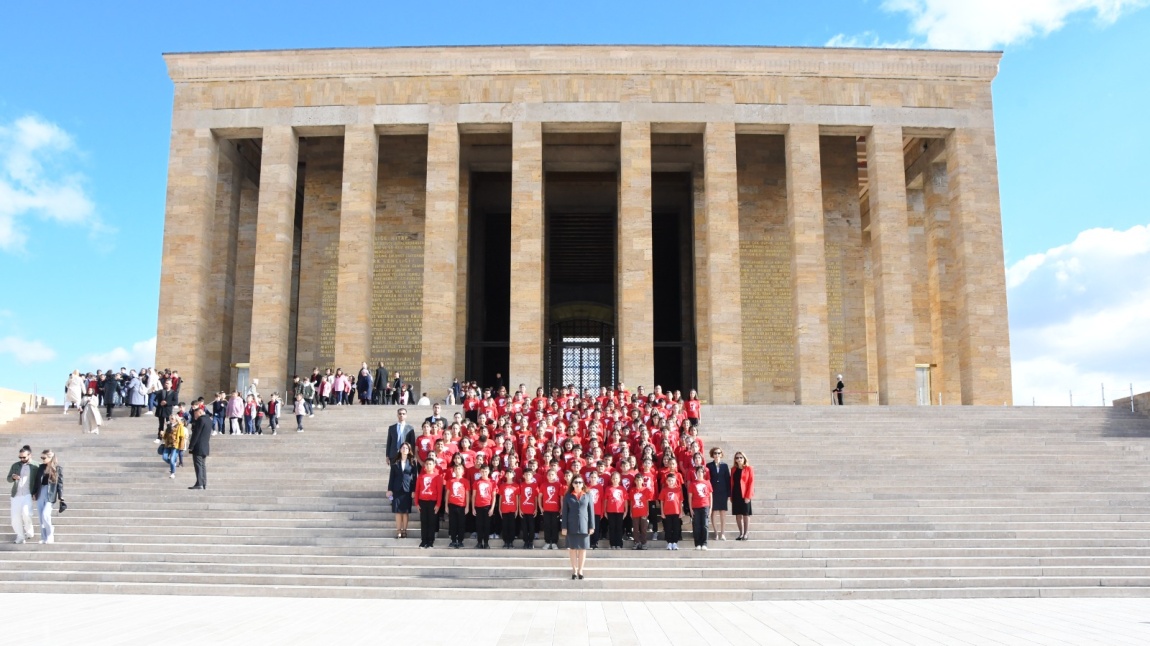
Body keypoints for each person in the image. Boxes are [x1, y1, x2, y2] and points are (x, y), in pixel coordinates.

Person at [560, 475, 595, 580]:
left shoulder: (588, 495)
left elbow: (591, 512)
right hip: (571, 526)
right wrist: (564, 527)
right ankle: (574, 570)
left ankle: (580, 570)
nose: (578, 484)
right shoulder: (568, 496)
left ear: (583, 483)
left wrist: (591, 526)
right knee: (572, 549)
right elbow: (565, 512)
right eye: (576, 482)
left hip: (584, 526)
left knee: (582, 549)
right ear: (572, 484)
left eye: (580, 482)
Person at [31, 449, 63, 544]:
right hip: (41, 492)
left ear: (50, 457)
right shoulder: (41, 467)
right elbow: (36, 481)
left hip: (51, 493)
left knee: (45, 514)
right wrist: (34, 492)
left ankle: (50, 534)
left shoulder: (58, 468)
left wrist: (61, 496)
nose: (42, 459)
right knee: (41, 517)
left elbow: (60, 483)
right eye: (41, 457)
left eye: (44, 458)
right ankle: (44, 537)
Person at [387, 442, 418, 539]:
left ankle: (405, 530)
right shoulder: (395, 462)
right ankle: (398, 530)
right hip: (397, 489)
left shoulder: (412, 462)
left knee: (405, 511)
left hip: (407, 489)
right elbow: (391, 477)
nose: (404, 449)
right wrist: (389, 489)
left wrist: (414, 490)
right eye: (403, 448)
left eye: (406, 448)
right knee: (397, 511)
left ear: (409, 451)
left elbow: (415, 478)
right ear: (400, 449)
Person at [8, 446, 35, 544]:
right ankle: (20, 536)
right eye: (20, 457)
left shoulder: (35, 466)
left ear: (29, 455)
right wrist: (13, 477)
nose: (22, 459)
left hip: (27, 494)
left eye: (24, 457)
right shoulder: (15, 465)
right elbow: (8, 478)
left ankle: (29, 530)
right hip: (16, 494)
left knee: (26, 514)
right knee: (15, 517)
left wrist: (36, 492)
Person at [415, 459, 442, 548]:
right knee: (424, 521)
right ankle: (424, 540)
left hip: (432, 502)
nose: (428, 465)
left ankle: (430, 540)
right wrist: (416, 503)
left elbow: (439, 492)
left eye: (430, 464)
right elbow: (417, 490)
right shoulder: (421, 477)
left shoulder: (437, 477)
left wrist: (438, 504)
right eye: (426, 464)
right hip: (422, 502)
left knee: (432, 522)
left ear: (434, 465)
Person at [707, 447, 732, 540]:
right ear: (712, 455)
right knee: (714, 511)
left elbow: (728, 479)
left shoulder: (724, 466)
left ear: (721, 454)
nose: (717, 455)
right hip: (713, 491)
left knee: (722, 512)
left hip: (723, 491)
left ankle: (722, 533)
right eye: (715, 453)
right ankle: (716, 533)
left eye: (718, 453)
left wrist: (729, 493)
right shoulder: (709, 465)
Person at [689, 465, 713, 550]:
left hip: (705, 506)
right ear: (696, 473)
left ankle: (704, 543)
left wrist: (710, 508)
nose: (699, 473)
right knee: (696, 526)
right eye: (698, 472)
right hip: (695, 507)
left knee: (705, 525)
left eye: (701, 472)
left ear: (704, 473)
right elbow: (690, 497)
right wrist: (690, 508)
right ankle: (697, 544)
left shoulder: (707, 483)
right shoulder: (693, 483)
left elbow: (710, 496)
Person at [731, 451, 754, 540]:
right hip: (736, 493)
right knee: (738, 515)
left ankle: (746, 533)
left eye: (741, 457)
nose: (739, 459)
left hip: (745, 494)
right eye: (737, 458)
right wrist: (731, 496)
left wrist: (748, 496)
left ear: (744, 458)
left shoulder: (749, 468)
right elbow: (732, 482)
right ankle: (741, 533)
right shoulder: (733, 469)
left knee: (746, 514)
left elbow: (751, 482)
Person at [187, 406, 211, 490]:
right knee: (203, 465)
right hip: (205, 446)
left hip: (198, 446)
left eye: (195, 414)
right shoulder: (208, 420)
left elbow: (196, 434)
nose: (194, 416)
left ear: (200, 412)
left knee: (198, 465)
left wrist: (191, 446)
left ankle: (199, 483)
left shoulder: (201, 420)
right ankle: (204, 483)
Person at [660, 471, 684, 550]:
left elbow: (680, 502)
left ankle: (675, 543)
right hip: (667, 512)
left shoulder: (678, 489)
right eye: (669, 480)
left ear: (675, 481)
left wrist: (681, 512)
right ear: (666, 481)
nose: (670, 482)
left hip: (676, 512)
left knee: (676, 528)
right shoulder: (664, 490)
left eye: (672, 480)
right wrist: (662, 513)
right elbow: (662, 502)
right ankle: (669, 542)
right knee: (668, 528)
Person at [161, 413, 186, 479]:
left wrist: (181, 446)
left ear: (176, 419)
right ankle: (173, 464)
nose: (171, 420)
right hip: (168, 444)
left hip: (175, 445)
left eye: (172, 418)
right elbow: (165, 436)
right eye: (170, 418)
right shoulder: (168, 426)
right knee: (164, 457)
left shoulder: (179, 426)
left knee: (172, 459)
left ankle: (172, 472)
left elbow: (182, 436)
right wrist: (162, 434)